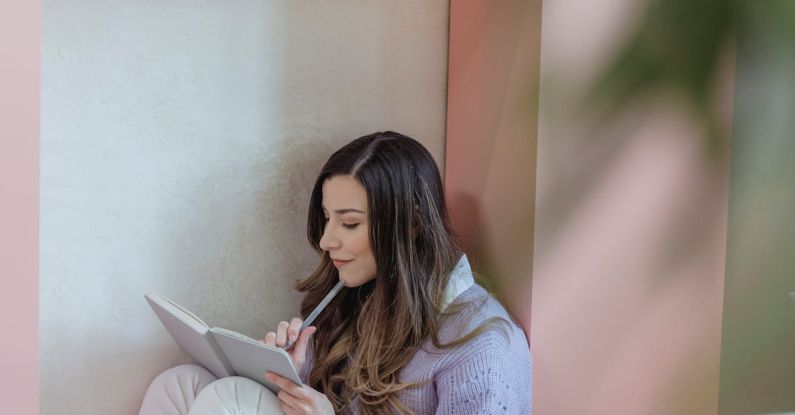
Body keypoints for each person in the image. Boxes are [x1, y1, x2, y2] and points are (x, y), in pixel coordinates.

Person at [139, 131, 532, 415]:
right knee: (179, 385)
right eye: (328, 219)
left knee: (229, 403)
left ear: (411, 224)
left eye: (349, 224)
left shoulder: (483, 346)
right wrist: (296, 372)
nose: (326, 240)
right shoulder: (365, 297)